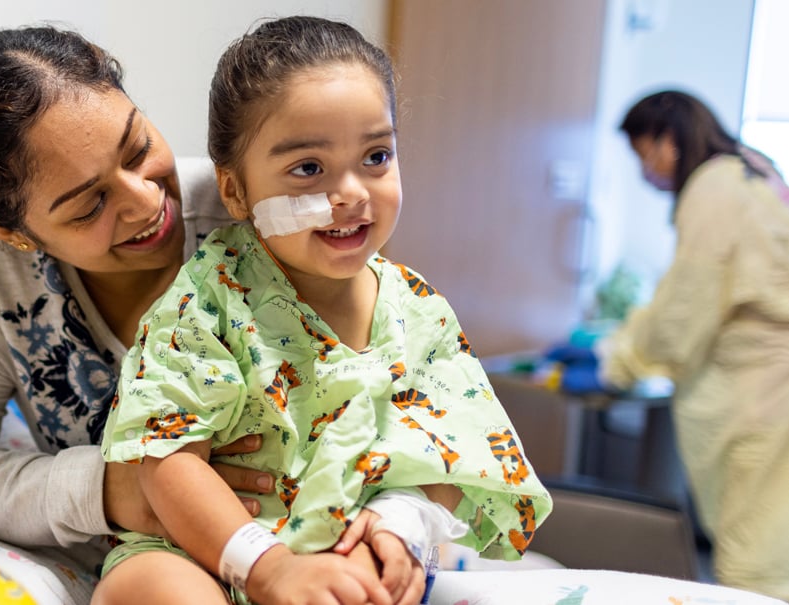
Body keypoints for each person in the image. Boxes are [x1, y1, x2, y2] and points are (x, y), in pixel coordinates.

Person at [95, 16, 553, 605]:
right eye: (309, 169)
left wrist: (400, 523)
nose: (353, 192)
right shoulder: (208, 300)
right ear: (234, 192)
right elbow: (167, 461)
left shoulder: (419, 314)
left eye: (376, 156)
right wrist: (267, 569)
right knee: (146, 588)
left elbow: (454, 448)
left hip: (346, 550)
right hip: (210, 553)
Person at [0, 25, 279, 602]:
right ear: (8, 231)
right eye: (89, 205)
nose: (146, 200)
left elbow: (398, 367)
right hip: (156, 566)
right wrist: (106, 489)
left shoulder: (251, 214)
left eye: (139, 149)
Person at [599, 89, 789, 601]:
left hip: (758, 398)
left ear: (668, 140)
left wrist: (620, 361)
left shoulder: (714, 188)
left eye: (644, 155)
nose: (647, 171)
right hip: (774, 390)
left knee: (755, 566)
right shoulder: (755, 168)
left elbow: (686, 305)